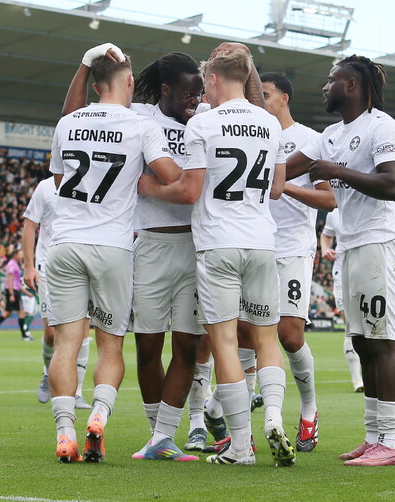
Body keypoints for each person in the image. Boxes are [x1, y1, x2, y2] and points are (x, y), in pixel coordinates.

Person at [138, 48, 292, 466]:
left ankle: (241, 447)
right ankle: (275, 415)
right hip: (262, 240)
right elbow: (276, 189)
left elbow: (188, 192)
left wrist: (149, 189)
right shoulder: (270, 123)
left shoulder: (203, 123)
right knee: (264, 337)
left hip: (218, 243)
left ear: (214, 80)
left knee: (224, 343)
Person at [46, 47, 181, 464]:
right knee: (110, 347)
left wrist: (83, 62)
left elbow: (57, 177)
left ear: (93, 82)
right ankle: (100, 417)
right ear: (126, 83)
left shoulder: (67, 123)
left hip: (65, 243)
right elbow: (172, 176)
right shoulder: (141, 126)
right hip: (113, 247)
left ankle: (65, 430)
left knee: (68, 343)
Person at [285, 55, 395, 467]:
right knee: (361, 343)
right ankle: (373, 436)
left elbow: (393, 185)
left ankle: (390, 442)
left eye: (333, 80)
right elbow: (287, 169)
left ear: (353, 86)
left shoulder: (383, 126)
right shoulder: (331, 134)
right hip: (354, 244)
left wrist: (333, 169)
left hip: (384, 240)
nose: (326, 87)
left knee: (381, 340)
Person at [262, 72, 336, 453]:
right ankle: (237, 426)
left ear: (285, 98)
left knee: (290, 335)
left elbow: (329, 201)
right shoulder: (254, 134)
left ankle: (309, 410)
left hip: (293, 247)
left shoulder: (308, 140)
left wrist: (282, 184)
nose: (261, 100)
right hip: (255, 247)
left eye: (266, 94)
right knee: (247, 336)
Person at [22, 176, 92, 408]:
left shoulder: (91, 180)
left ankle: (78, 392)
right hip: (48, 265)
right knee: (52, 333)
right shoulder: (45, 186)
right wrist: (29, 266)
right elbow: (30, 225)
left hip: (83, 265)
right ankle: (46, 372)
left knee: (82, 329)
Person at [321, 208, 364, 392]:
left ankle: (370, 371)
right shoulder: (334, 212)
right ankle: (357, 380)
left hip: (365, 270)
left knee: (365, 326)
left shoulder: (365, 207)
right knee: (350, 325)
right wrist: (325, 249)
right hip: (341, 274)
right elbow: (326, 235)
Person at [0, 249, 33, 341]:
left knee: (7, 313)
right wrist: (11, 294)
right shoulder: (12, 265)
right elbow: (9, 280)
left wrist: (26, 293)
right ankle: (24, 335)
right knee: (21, 311)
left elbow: (16, 282)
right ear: (15, 255)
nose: (21, 256)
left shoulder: (15, 264)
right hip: (13, 291)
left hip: (14, 290)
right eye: (20, 254)